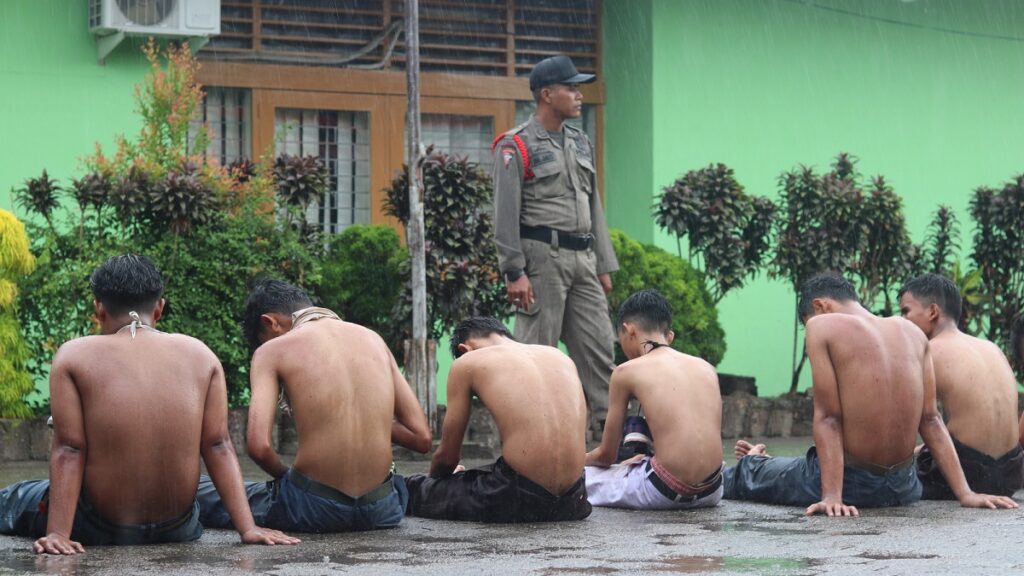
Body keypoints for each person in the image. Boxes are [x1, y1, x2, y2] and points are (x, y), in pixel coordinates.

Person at [0, 255, 298, 554]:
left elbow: (69, 448)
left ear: (98, 309)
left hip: (98, 526)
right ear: (159, 308)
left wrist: (58, 533)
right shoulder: (201, 355)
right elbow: (218, 445)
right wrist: (248, 528)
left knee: (17, 497)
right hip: (178, 527)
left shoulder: (73, 356)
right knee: (204, 490)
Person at [723, 273, 1018, 517]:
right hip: (904, 488)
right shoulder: (911, 332)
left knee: (747, 475)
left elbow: (828, 418)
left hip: (854, 487)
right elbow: (931, 420)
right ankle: (764, 461)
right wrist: (966, 494)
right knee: (795, 465)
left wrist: (832, 496)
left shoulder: (821, 325)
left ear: (820, 306)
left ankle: (752, 462)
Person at [196, 279, 432, 533]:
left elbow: (259, 446)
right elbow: (421, 438)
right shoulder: (374, 340)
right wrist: (369, 417)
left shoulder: (272, 351)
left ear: (270, 322)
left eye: (263, 339)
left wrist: (286, 479)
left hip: (312, 509)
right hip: (383, 509)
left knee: (200, 488)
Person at [491, 54, 618, 434]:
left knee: (600, 354)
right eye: (572, 88)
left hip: (583, 258)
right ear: (547, 94)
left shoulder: (580, 143)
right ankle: (529, 446)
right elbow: (505, 213)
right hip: (542, 261)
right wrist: (514, 271)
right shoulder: (516, 146)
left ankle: (618, 449)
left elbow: (593, 203)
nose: (580, 95)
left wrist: (603, 265)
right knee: (536, 359)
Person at [404, 317, 591, 523]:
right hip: (574, 500)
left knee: (411, 488)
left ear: (465, 349)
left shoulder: (467, 362)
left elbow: (448, 458)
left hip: (515, 498)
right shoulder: (559, 356)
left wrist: (437, 482)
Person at [585, 290, 724, 510]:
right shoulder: (706, 368)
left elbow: (606, 456)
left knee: (582, 477)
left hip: (664, 492)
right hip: (713, 490)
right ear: (669, 336)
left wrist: (573, 462)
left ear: (629, 330)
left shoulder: (625, 372)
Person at [898, 274, 1023, 499]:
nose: (902, 320)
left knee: (888, 476)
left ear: (933, 311)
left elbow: (903, 430)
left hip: (969, 474)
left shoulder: (929, 351)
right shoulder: (991, 348)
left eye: (906, 311)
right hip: (1011, 475)